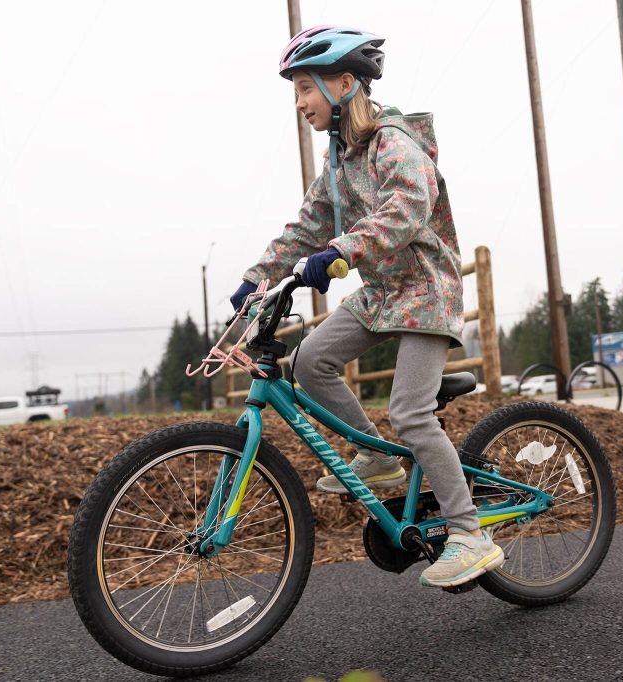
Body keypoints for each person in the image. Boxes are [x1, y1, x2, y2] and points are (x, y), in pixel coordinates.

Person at [228, 26, 503, 588]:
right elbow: (305, 227)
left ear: (345, 83)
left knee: (408, 413)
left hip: (426, 289)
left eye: (305, 88)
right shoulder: (338, 161)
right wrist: (258, 278)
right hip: (382, 292)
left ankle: (470, 533)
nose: (300, 103)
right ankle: (373, 456)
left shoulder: (393, 142)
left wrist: (341, 250)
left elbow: (406, 208)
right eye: (297, 92)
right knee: (309, 362)